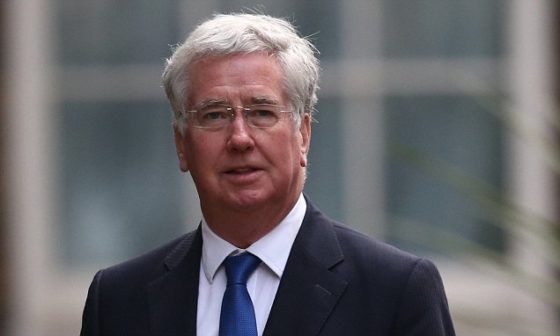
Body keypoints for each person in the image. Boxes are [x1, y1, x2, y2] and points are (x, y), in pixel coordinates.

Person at [80, 13, 455, 336]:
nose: (239, 138)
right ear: (181, 144)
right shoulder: (116, 301)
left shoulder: (395, 291)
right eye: (214, 115)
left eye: (261, 112)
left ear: (303, 135)